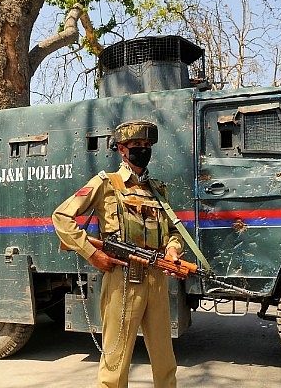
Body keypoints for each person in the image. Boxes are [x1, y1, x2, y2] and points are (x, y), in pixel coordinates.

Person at [52, 120, 184, 388]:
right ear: (122, 149)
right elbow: (61, 216)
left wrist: (172, 250)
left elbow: (173, 231)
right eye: (137, 145)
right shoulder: (106, 183)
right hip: (121, 281)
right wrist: (91, 253)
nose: (143, 150)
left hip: (156, 279)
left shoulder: (157, 190)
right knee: (115, 362)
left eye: (147, 145)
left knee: (165, 360)